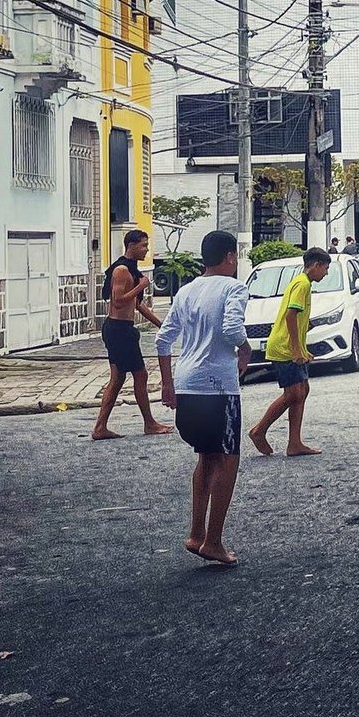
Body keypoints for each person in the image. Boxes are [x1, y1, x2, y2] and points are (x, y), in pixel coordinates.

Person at [156, 230, 251, 567]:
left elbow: (162, 340)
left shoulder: (186, 291)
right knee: (227, 458)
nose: (236, 262)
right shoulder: (234, 287)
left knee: (206, 457)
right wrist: (245, 347)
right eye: (235, 256)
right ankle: (212, 540)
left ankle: (196, 533)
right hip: (219, 387)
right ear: (228, 257)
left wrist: (167, 385)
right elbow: (230, 329)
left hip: (186, 385)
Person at [248, 248, 331, 457]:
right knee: (293, 394)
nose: (326, 273)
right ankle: (259, 430)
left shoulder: (303, 283)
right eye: (326, 268)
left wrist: (304, 345)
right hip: (284, 347)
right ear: (316, 265)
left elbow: (299, 318)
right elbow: (291, 316)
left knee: (302, 391)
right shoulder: (302, 284)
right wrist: (296, 350)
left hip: (290, 347)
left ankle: (295, 443)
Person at [92, 229, 172, 441]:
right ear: (132, 245)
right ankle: (149, 423)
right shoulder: (121, 270)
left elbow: (137, 305)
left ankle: (100, 427)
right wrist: (141, 286)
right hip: (119, 330)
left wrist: (161, 326)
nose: (147, 250)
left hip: (122, 329)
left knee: (117, 378)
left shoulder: (132, 270)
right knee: (140, 374)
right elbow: (118, 301)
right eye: (144, 246)